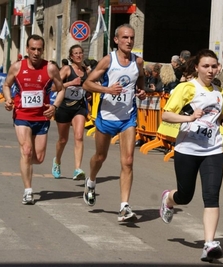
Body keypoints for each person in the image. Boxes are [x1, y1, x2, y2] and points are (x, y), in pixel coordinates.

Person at [159, 49, 223, 262]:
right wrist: (188, 118)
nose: (210, 70)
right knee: (186, 195)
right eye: (206, 66)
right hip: (187, 150)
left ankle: (209, 244)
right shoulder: (187, 88)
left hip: (213, 150)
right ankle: (169, 199)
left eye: (214, 66)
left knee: (211, 196)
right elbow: (166, 114)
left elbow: (217, 112)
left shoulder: (219, 89)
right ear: (197, 68)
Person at [82, 24, 146, 221]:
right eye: (125, 37)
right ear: (116, 40)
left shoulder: (139, 61)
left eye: (132, 38)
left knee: (128, 161)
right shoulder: (108, 60)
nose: (129, 41)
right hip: (106, 117)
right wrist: (107, 90)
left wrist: (141, 91)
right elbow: (87, 83)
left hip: (128, 118)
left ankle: (124, 207)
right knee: (100, 157)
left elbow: (140, 78)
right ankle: (91, 181)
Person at [2, 34, 64, 205]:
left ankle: (26, 160)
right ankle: (28, 191)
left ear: (43, 50)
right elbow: (6, 85)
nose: (36, 52)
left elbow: (61, 89)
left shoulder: (50, 68)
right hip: (22, 115)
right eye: (33, 49)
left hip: (42, 117)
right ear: (27, 50)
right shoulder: (17, 67)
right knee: (27, 150)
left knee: (39, 158)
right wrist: (8, 99)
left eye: (39, 49)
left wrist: (55, 106)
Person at [52, 44, 89, 180]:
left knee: (79, 136)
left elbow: (89, 85)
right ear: (71, 56)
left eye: (81, 53)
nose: (79, 55)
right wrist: (70, 83)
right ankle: (57, 161)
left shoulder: (86, 71)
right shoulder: (67, 69)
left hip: (79, 106)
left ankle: (77, 169)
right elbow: (53, 87)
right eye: (76, 53)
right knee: (63, 139)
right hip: (64, 106)